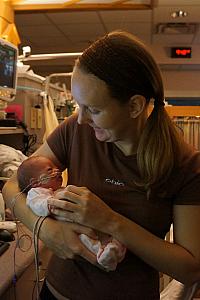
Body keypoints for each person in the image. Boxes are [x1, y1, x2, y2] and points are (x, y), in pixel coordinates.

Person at [2, 30, 200, 300]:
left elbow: (190, 270)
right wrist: (46, 230)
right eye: (78, 106)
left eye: (93, 110)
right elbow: (14, 185)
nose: (81, 119)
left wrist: (110, 221)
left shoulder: (185, 165)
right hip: (56, 293)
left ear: (134, 106)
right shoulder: (77, 130)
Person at [17, 155, 126, 272]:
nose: (57, 170)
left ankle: (114, 248)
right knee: (86, 240)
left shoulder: (62, 189)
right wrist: (49, 204)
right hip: (74, 228)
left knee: (113, 236)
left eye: (56, 167)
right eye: (50, 169)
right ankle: (104, 256)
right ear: (35, 182)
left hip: (84, 220)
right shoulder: (36, 193)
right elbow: (35, 204)